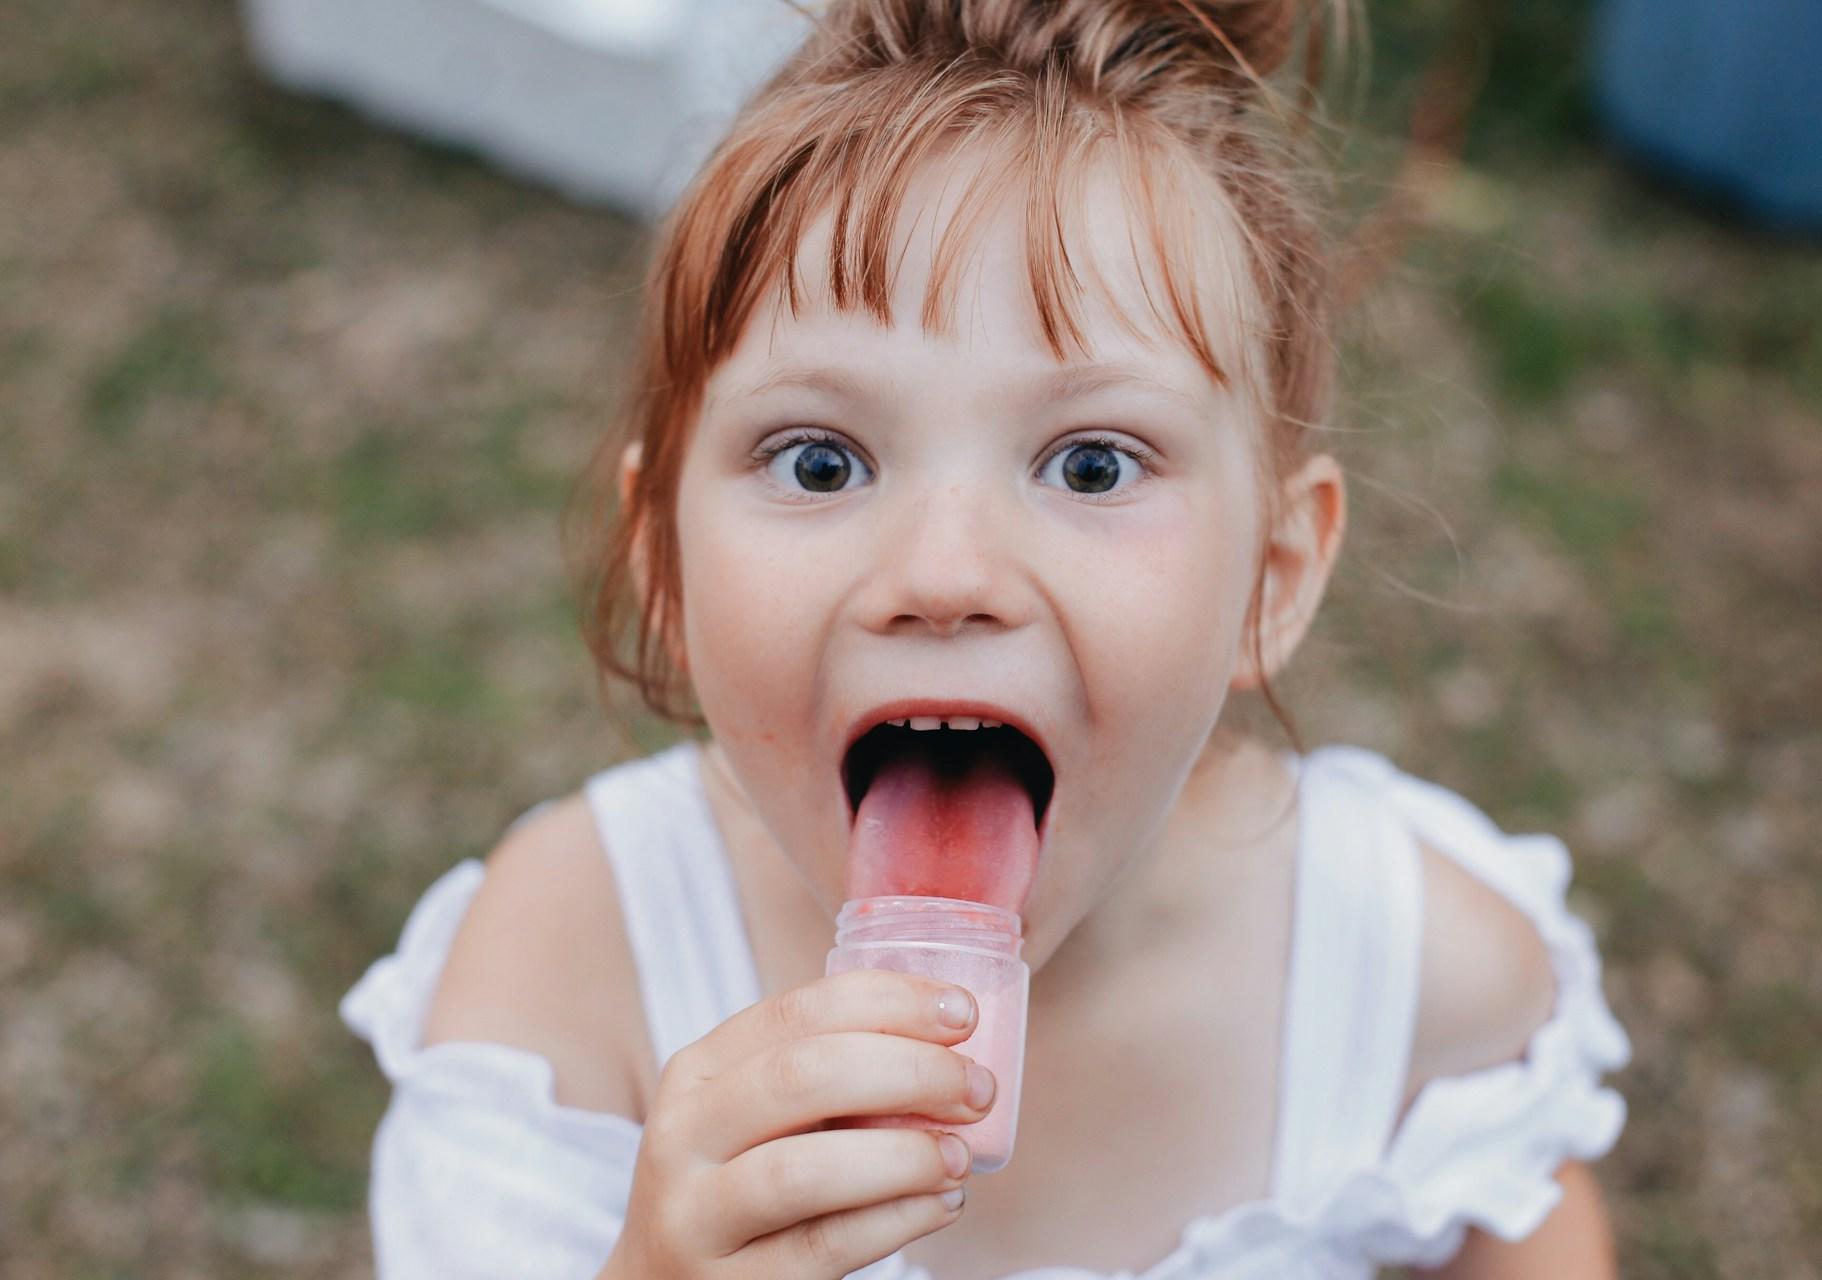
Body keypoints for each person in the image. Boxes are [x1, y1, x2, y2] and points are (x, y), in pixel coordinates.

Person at [339, 1, 1633, 1276]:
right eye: (822, 459)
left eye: (1089, 465)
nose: (943, 575)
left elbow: (1525, 1222)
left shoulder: (1417, 975)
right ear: (664, 562)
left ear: (1271, 577)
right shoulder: (571, 973)